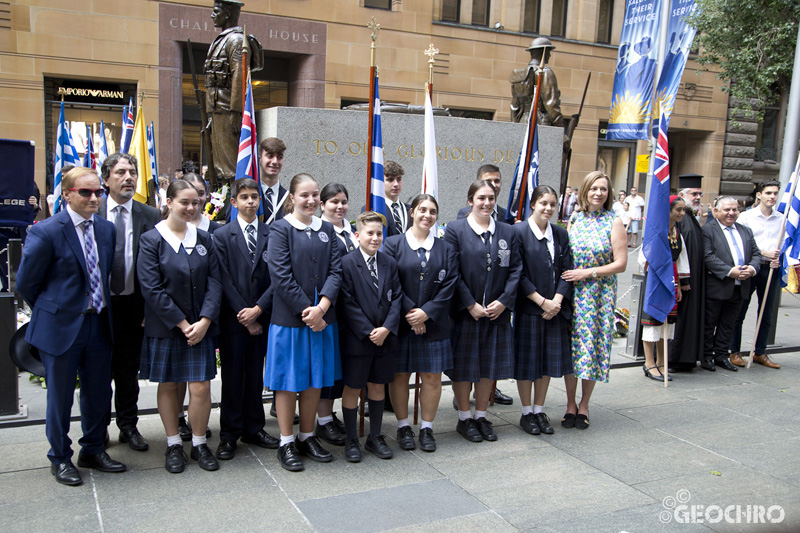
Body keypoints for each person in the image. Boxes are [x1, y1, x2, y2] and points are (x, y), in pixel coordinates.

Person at [18, 167, 127, 486]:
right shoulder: (47, 231)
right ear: (66, 194)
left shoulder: (106, 230)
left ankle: (92, 449)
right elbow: (27, 283)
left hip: (97, 324)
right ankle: (60, 458)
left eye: (98, 193)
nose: (94, 198)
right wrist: (54, 310)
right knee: (61, 397)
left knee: (98, 393)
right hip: (61, 328)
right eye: (85, 192)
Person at [137, 179, 222, 473]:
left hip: (201, 327)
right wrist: (184, 324)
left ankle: (199, 443)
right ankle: (173, 443)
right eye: (183, 202)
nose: (190, 207)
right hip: (167, 327)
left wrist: (205, 321)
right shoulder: (151, 240)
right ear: (169, 202)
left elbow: (215, 282)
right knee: (170, 385)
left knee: (200, 387)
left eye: (195, 202)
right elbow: (152, 289)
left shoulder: (204, 239)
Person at [265, 173, 342, 472]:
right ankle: (286, 442)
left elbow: (336, 271)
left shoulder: (327, 230)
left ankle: (307, 435)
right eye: (304, 195)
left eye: (314, 196)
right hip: (290, 322)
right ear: (292, 198)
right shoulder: (280, 230)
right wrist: (308, 312)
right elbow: (280, 276)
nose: (310, 201)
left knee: (314, 381)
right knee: (287, 383)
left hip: (322, 319)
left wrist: (322, 307)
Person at [446, 180, 521, 443]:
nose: (486, 203)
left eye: (491, 198)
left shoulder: (507, 232)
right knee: (465, 367)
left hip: (497, 313)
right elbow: (452, 271)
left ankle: (481, 415)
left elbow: (515, 270)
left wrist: (504, 301)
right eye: (481, 198)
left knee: (488, 366)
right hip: (467, 312)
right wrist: (469, 304)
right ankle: (464, 418)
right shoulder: (455, 230)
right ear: (470, 201)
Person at [384, 194, 457, 452]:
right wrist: (412, 313)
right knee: (400, 376)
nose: (427, 215)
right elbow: (389, 281)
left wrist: (426, 313)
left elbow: (450, 286)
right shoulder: (392, 244)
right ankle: (403, 426)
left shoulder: (446, 248)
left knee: (431, 378)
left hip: (434, 325)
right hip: (402, 323)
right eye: (422, 210)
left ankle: (427, 428)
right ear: (412, 212)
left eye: (433, 211)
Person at [97, 153, 160, 452]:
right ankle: (97, 429)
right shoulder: (92, 211)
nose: (129, 177)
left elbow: (157, 265)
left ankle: (128, 425)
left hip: (133, 305)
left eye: (132, 171)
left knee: (127, 370)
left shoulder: (149, 215)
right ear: (106, 178)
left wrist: (150, 307)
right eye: (121, 172)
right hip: (99, 306)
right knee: (97, 369)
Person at [214, 178, 279, 461]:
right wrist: (244, 313)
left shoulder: (272, 234)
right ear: (234, 202)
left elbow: (277, 276)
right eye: (244, 197)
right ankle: (229, 433)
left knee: (255, 374)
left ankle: (254, 427)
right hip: (233, 320)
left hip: (262, 318)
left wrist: (259, 310)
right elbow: (222, 279)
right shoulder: (220, 235)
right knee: (232, 376)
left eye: (255, 197)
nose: (251, 202)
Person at [562, 171, 627, 429]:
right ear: (585, 191)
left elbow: (621, 263)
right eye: (594, 188)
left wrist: (587, 272)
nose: (598, 193)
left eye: (603, 189)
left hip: (598, 295)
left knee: (591, 349)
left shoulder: (614, 220)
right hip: (574, 294)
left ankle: (585, 404)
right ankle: (569, 404)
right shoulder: (575, 218)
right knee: (572, 350)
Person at [338, 211, 403, 462]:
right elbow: (347, 302)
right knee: (353, 387)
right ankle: (352, 439)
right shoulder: (346, 263)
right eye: (370, 233)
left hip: (385, 338)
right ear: (357, 235)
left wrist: (386, 328)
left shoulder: (388, 263)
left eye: (379, 234)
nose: (375, 238)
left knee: (378, 386)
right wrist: (368, 331)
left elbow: (396, 297)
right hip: (358, 340)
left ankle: (375, 436)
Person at [513, 185, 573, 436]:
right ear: (533, 204)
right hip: (530, 308)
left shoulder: (560, 234)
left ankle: (539, 409)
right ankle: (526, 412)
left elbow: (566, 270)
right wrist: (542, 302)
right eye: (543, 203)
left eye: (552, 204)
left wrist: (556, 301)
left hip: (554, 309)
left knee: (547, 362)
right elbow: (517, 272)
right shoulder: (519, 231)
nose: (548, 208)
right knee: (528, 363)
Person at [314, 183, 359, 446]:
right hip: (329, 309)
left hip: (351, 313)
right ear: (322, 205)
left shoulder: (352, 233)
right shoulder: (319, 232)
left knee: (339, 369)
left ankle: (329, 414)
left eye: (343, 201)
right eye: (333, 202)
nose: (339, 207)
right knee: (326, 369)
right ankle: (323, 421)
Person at [204, 0, 262, 185]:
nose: (212, 15)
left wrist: (236, 113)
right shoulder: (222, 39)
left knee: (229, 163)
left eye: (216, 11)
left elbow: (240, 76)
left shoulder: (236, 40)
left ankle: (233, 200)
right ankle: (221, 198)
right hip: (217, 107)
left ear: (228, 14)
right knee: (218, 160)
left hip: (227, 108)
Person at [701, 197, 761, 372]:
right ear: (716, 211)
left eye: (734, 209)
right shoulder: (707, 230)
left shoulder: (745, 231)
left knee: (729, 324)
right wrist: (729, 271)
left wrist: (751, 269)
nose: (731, 213)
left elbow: (756, 254)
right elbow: (707, 256)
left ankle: (721, 355)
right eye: (727, 210)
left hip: (740, 286)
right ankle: (706, 356)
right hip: (717, 285)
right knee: (709, 324)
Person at [729, 180, 782, 369]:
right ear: (759, 195)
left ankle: (760, 351)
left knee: (766, 312)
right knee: (740, 309)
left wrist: (778, 258)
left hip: (771, 269)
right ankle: (733, 350)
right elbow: (740, 243)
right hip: (751, 267)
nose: (772, 197)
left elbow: (784, 244)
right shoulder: (746, 217)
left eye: (775, 193)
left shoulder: (781, 218)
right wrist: (762, 253)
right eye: (768, 193)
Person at [639, 196, 690, 382]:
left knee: (667, 323)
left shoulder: (677, 233)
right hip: (656, 281)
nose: (682, 213)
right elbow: (643, 258)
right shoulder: (656, 232)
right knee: (653, 321)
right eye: (678, 209)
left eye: (683, 209)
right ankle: (649, 362)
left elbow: (682, 258)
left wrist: (681, 284)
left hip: (672, 280)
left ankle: (662, 362)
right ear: (668, 210)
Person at [669, 174, 706, 371]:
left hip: (694, 280)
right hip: (681, 280)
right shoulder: (679, 219)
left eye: (700, 193)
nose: (698, 197)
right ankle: (676, 358)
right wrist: (682, 280)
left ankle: (688, 357)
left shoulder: (692, 217)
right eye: (694, 193)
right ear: (682, 195)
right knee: (680, 318)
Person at [510, 37, 563, 126]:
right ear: (543, 52)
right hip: (540, 121)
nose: (549, 55)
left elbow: (514, 107)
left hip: (523, 122)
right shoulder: (545, 72)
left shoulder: (520, 74)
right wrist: (561, 127)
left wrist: (515, 126)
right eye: (548, 52)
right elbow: (551, 105)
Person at [366, 161, 410, 237]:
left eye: (399, 179)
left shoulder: (410, 209)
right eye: (390, 180)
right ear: (381, 182)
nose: (396, 184)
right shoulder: (373, 209)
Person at [259, 137, 288, 225]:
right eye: (270, 156)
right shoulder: (247, 197)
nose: (275, 161)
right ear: (259, 159)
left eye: (279, 157)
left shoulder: (289, 198)